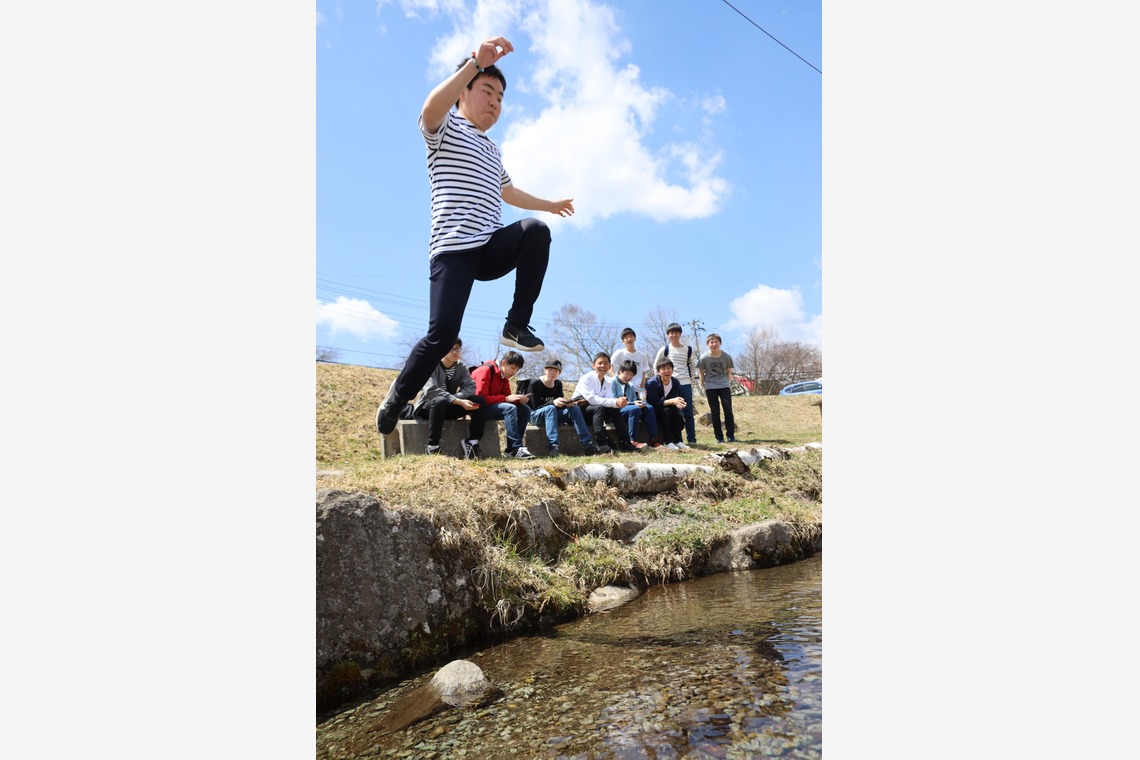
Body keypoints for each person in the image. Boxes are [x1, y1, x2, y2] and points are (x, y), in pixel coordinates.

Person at [375, 35, 575, 437]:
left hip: (488, 246)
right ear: (463, 93)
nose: (495, 102)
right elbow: (429, 109)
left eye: (501, 97)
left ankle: (516, 324)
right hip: (453, 249)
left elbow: (509, 191)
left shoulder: (493, 149)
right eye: (487, 91)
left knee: (536, 231)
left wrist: (549, 205)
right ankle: (397, 397)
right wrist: (474, 62)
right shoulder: (445, 128)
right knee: (442, 334)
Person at [411, 338, 487, 458]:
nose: (454, 352)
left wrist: (456, 399)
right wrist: (457, 401)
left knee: (479, 401)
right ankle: (433, 445)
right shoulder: (431, 365)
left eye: (457, 348)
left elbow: (470, 387)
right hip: (428, 408)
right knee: (440, 400)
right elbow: (431, 390)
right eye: (451, 349)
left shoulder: (461, 366)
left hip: (449, 406)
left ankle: (472, 443)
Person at [525, 359, 610, 456]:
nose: (552, 373)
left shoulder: (558, 384)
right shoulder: (535, 384)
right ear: (545, 370)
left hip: (552, 414)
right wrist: (553, 403)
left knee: (574, 409)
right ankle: (553, 446)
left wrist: (566, 404)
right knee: (551, 408)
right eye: (550, 370)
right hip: (534, 415)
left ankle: (587, 444)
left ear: (559, 373)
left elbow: (558, 406)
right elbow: (535, 407)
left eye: (556, 371)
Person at [471, 351, 535, 459]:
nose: (514, 372)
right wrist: (506, 399)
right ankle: (515, 447)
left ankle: (511, 449)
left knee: (525, 409)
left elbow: (507, 396)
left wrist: (518, 399)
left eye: (517, 369)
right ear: (504, 363)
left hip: (492, 407)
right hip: (477, 410)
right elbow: (480, 399)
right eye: (513, 368)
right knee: (509, 408)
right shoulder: (485, 370)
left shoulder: (503, 376)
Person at [570, 352, 635, 452]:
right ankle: (601, 443)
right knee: (599, 407)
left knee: (614, 410)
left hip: (597, 412)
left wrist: (619, 403)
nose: (603, 366)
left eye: (605, 363)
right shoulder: (586, 378)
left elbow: (609, 400)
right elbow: (592, 399)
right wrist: (615, 402)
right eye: (600, 363)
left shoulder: (608, 381)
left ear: (609, 366)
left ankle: (626, 442)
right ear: (593, 365)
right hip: (580, 412)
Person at [652, 323, 699, 445]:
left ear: (680, 334)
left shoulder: (688, 349)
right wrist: (660, 380)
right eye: (671, 333)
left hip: (685, 383)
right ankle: (674, 439)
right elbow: (655, 365)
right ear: (668, 335)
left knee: (688, 412)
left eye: (676, 332)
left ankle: (691, 439)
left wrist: (691, 379)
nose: (674, 335)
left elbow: (693, 365)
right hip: (669, 384)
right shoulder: (664, 349)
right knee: (672, 411)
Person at [611, 359, 662, 450]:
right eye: (627, 374)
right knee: (635, 409)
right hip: (616, 410)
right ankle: (632, 440)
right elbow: (612, 400)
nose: (629, 377)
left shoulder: (630, 385)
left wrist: (641, 402)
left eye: (631, 375)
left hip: (629, 409)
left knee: (649, 408)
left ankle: (653, 439)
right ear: (619, 372)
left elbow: (634, 400)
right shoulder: (612, 382)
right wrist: (633, 403)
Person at [698, 333, 737, 444]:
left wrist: (725, 382)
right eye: (711, 342)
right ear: (707, 344)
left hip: (724, 385)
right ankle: (719, 437)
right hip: (710, 386)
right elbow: (701, 372)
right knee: (715, 412)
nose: (714, 344)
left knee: (728, 410)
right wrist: (703, 384)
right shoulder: (704, 358)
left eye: (716, 342)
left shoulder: (726, 356)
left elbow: (729, 371)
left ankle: (731, 436)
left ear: (720, 343)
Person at [645, 358, 690, 450]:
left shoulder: (675, 382)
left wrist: (679, 403)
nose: (667, 371)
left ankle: (678, 440)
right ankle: (667, 441)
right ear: (658, 372)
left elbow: (676, 398)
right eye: (663, 369)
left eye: (669, 368)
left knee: (676, 411)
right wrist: (671, 401)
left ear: (672, 370)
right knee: (667, 410)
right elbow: (652, 401)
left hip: (668, 407)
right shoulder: (651, 383)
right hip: (653, 409)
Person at [609, 327, 652, 398]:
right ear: (623, 341)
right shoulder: (619, 353)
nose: (629, 339)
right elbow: (610, 367)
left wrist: (642, 389)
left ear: (635, 338)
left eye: (631, 337)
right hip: (622, 389)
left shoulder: (642, 355)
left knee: (645, 407)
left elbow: (643, 374)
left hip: (637, 390)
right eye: (626, 338)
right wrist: (616, 380)